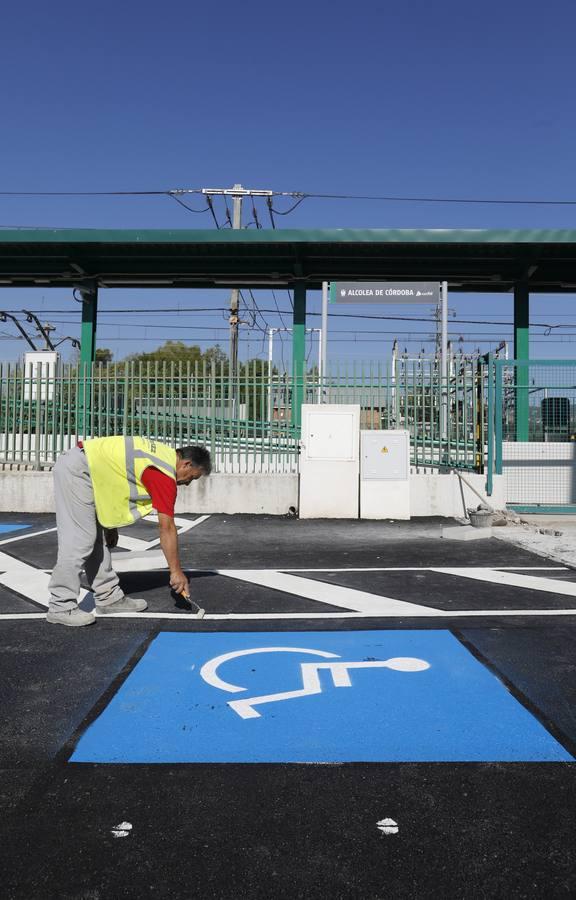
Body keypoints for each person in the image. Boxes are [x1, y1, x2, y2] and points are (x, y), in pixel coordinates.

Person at [46, 436, 211, 627]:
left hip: (87, 469)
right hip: (78, 471)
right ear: (186, 464)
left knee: (96, 540)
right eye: (192, 477)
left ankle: (108, 598)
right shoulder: (163, 474)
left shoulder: (161, 456)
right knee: (80, 540)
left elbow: (115, 478)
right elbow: (167, 528)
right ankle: (60, 606)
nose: (188, 483)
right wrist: (176, 572)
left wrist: (110, 524)